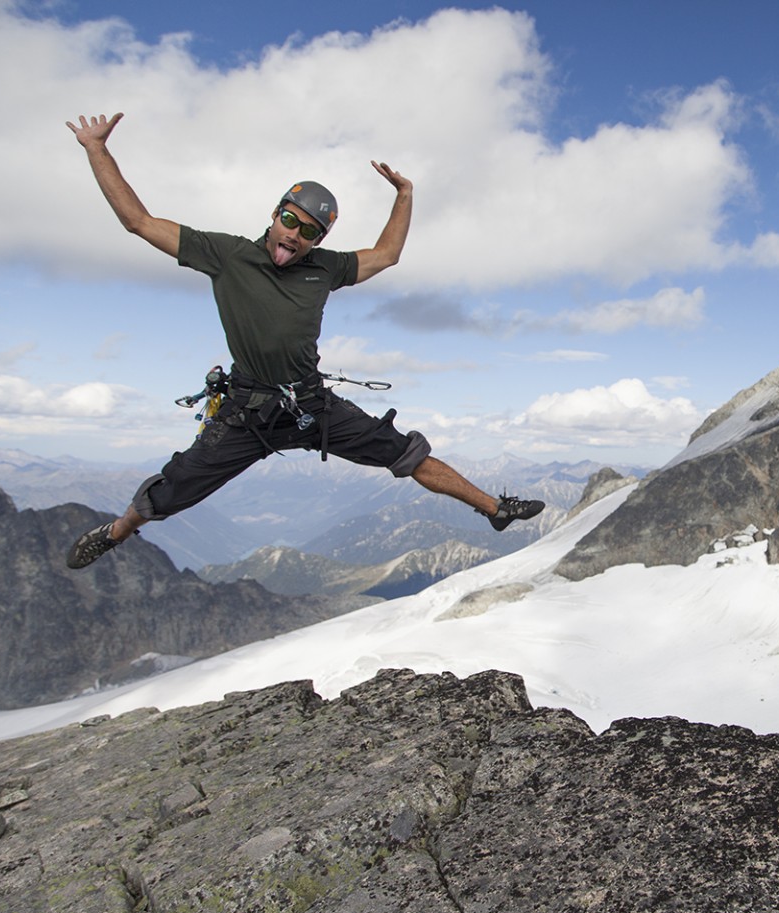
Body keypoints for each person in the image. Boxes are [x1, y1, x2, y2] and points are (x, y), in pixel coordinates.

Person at [63, 112, 543, 570]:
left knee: (405, 454)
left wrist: (405, 193)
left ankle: (495, 510)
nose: (294, 236)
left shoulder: (325, 267)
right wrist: (97, 150)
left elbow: (387, 255)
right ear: (274, 215)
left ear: (318, 239)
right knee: (174, 488)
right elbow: (138, 221)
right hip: (246, 413)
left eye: (309, 232)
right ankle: (115, 533)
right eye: (290, 222)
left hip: (311, 404)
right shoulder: (227, 255)